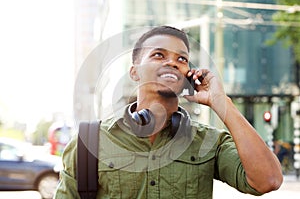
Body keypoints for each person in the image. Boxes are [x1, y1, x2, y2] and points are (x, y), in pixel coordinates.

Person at [54, 26, 283, 199]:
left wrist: (222, 102)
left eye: (181, 59)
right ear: (134, 72)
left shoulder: (209, 142)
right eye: (159, 55)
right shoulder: (90, 141)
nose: (173, 63)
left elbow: (268, 180)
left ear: (188, 75)